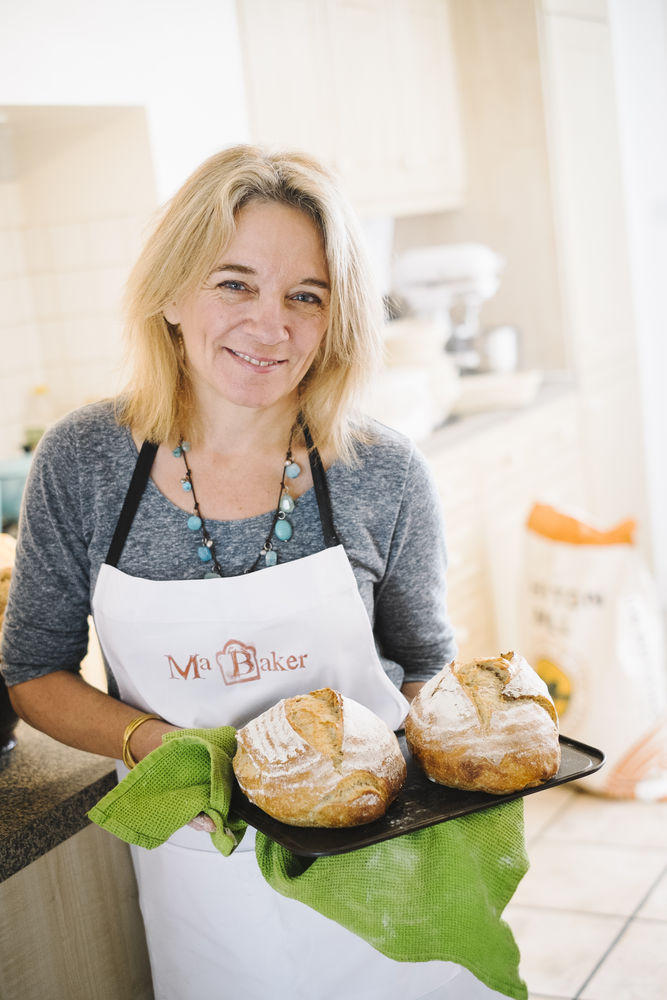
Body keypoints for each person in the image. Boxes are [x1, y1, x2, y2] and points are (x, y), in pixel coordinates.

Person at [1, 146, 509, 999]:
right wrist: (154, 744)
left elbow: (424, 666)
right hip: (202, 877)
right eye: (234, 284)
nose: (271, 326)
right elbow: (33, 673)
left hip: (380, 868)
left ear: (335, 318)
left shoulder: (382, 471)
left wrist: (473, 761)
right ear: (170, 293)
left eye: (306, 296)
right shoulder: (84, 462)